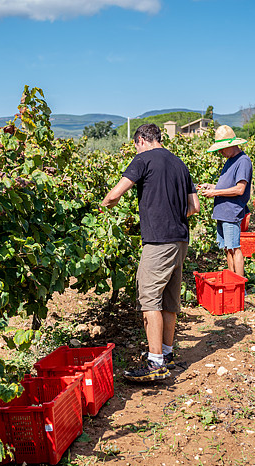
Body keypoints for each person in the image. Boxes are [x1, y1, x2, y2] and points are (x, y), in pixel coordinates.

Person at [101, 123, 200, 382]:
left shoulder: (142, 159)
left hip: (158, 242)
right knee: (169, 300)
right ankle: (166, 354)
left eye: (136, 145)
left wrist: (102, 206)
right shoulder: (180, 164)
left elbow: (116, 194)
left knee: (149, 300)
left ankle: (155, 364)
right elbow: (194, 206)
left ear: (141, 140)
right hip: (180, 240)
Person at [198, 125, 252, 279]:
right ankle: (232, 281)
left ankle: (240, 286)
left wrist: (214, 192)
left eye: (222, 148)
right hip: (222, 212)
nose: (220, 152)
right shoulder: (230, 160)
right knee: (227, 249)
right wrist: (212, 186)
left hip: (231, 212)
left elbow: (239, 189)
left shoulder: (243, 161)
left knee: (235, 248)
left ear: (232, 145)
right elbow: (228, 186)